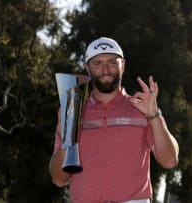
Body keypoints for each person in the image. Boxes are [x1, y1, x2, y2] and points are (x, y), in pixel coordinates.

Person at [49, 37, 179, 203]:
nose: (105, 69)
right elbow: (59, 179)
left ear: (122, 65)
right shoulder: (72, 112)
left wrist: (154, 116)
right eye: (98, 63)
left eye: (112, 62)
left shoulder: (143, 109)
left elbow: (170, 160)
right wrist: (68, 139)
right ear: (87, 68)